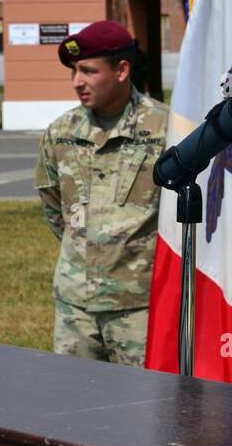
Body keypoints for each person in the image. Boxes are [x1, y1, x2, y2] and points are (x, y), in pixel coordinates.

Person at [34, 21, 168, 366]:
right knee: (76, 407)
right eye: (75, 71)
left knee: (143, 408)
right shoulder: (61, 132)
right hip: (75, 304)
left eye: (89, 71)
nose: (78, 81)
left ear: (122, 70)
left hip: (139, 305)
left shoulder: (165, 129)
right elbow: (54, 209)